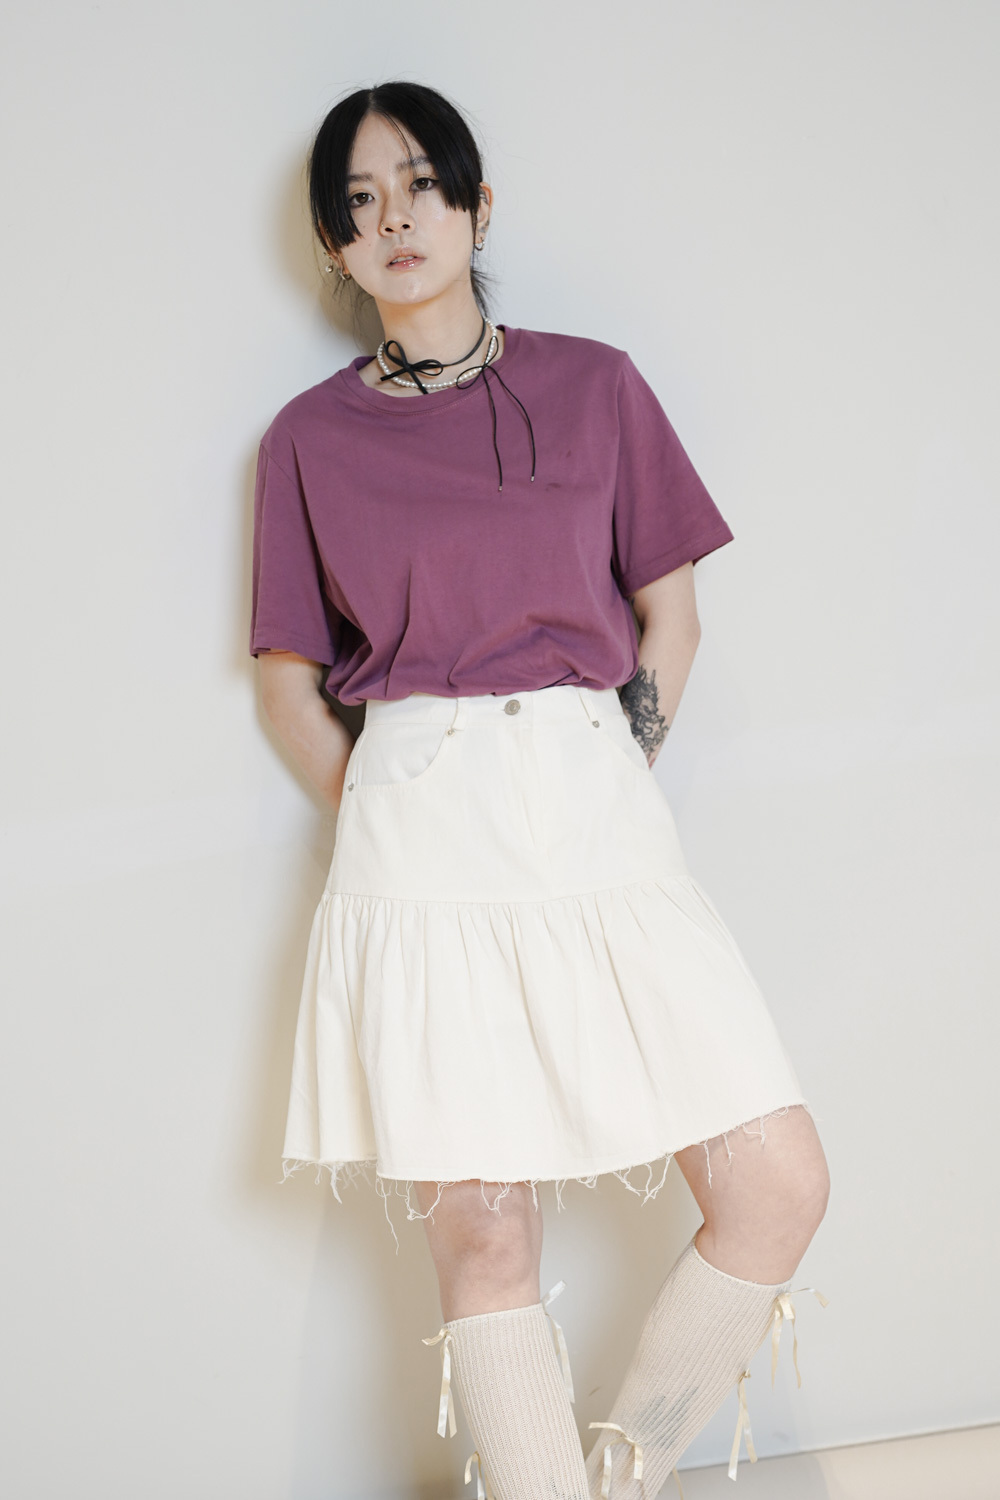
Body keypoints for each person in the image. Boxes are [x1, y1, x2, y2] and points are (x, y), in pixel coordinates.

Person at [250, 79, 831, 1500]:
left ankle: (618, 1480)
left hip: (592, 800)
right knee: (485, 1230)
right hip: (419, 823)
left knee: (777, 1183)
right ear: (334, 244)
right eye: (360, 202)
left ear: (478, 204)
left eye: (421, 184)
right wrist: (396, 801)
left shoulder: (596, 384)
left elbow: (671, 615)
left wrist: (609, 765)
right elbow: (287, 681)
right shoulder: (309, 440)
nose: (395, 220)